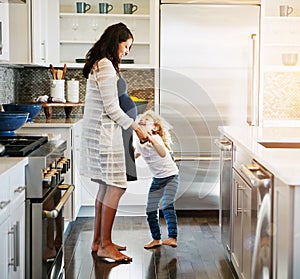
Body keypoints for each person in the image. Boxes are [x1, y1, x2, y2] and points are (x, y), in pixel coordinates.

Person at [80, 22, 147, 262]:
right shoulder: (106, 66)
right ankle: (105, 244)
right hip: (105, 137)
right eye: (126, 45)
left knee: (106, 188)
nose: (127, 51)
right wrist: (136, 128)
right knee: (116, 187)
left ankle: (99, 241)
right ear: (114, 41)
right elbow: (112, 109)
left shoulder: (101, 64)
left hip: (104, 135)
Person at [135, 110, 179, 249]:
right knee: (150, 210)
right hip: (158, 179)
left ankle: (172, 237)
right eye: (139, 124)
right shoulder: (140, 144)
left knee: (166, 205)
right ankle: (156, 239)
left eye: (144, 123)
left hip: (171, 177)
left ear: (154, 127)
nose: (141, 125)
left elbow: (162, 152)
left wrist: (151, 138)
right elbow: (133, 155)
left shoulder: (157, 139)